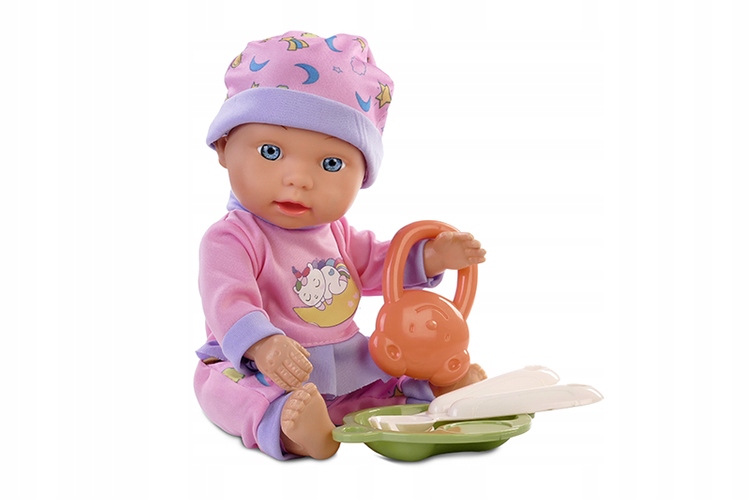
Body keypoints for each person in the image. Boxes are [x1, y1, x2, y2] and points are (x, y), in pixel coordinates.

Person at [193, 31, 487, 460]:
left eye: (331, 163)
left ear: (361, 175)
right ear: (223, 147)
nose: (299, 179)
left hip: (344, 359)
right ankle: (291, 428)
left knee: (390, 362)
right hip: (262, 365)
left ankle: (438, 392)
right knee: (225, 389)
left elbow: (383, 263)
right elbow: (228, 301)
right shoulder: (231, 237)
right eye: (271, 152)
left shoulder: (337, 233)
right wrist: (262, 345)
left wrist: (432, 256)